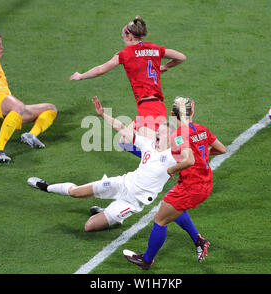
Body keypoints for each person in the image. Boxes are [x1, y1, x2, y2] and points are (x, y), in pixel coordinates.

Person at [27, 96, 177, 232]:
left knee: (89, 226)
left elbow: (193, 162)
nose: (157, 133)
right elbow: (121, 128)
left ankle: (113, 214)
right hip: (122, 183)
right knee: (75, 192)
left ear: (170, 138)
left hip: (132, 201)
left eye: (161, 132)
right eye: (158, 131)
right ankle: (46, 186)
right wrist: (102, 114)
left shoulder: (173, 156)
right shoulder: (147, 144)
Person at [123, 96, 227, 269]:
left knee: (160, 219)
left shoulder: (178, 135)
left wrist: (171, 169)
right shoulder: (202, 129)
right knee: (172, 207)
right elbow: (222, 149)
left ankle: (146, 260)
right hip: (204, 182)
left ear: (172, 114)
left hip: (192, 187)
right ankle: (199, 240)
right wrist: (204, 156)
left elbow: (188, 160)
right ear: (192, 112)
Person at [69, 16, 186, 157]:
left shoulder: (125, 54)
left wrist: (81, 76)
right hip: (150, 104)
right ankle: (160, 162)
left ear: (130, 36)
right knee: (124, 141)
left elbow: (100, 69)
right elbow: (181, 57)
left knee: (154, 149)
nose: (123, 41)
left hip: (150, 106)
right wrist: (164, 66)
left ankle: (171, 162)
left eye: (123, 37)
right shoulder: (155, 48)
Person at [0, 10, 58, 163]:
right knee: (19, 106)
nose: (2, 47)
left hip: (6, 106)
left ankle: (31, 135)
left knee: (50, 109)